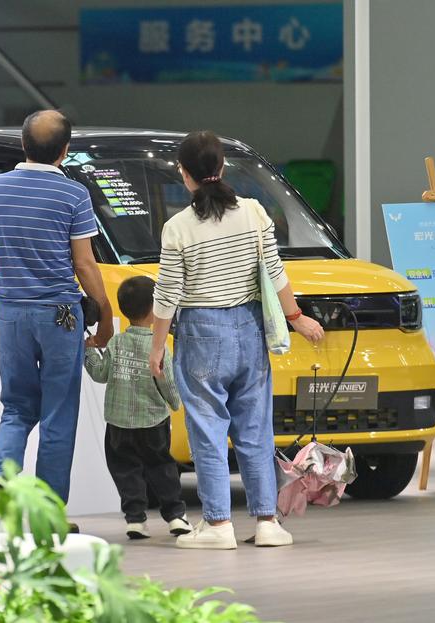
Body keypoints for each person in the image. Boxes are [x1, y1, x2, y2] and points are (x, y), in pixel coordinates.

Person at [148, 130, 324, 549]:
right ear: (222, 167)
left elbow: (167, 295)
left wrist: (156, 348)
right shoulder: (254, 212)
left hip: (201, 333)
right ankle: (267, 522)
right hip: (249, 329)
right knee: (256, 429)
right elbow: (275, 272)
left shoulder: (177, 228)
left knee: (208, 430)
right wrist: (296, 318)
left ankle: (218, 525)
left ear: (184, 174)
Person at [0, 109, 113, 508]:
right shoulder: (74, 194)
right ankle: (48, 510)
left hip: (10, 312)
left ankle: (1, 477)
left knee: (16, 407)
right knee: (58, 413)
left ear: (23, 143)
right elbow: (84, 264)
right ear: (65, 150)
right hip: (60, 315)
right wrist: (104, 313)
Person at [84, 276, 192, 540]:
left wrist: (88, 352)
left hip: (118, 423)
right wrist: (175, 402)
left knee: (125, 469)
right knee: (161, 467)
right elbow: (166, 381)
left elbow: (100, 374)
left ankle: (135, 519)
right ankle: (175, 516)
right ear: (155, 310)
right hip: (153, 420)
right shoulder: (159, 346)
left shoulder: (116, 343)